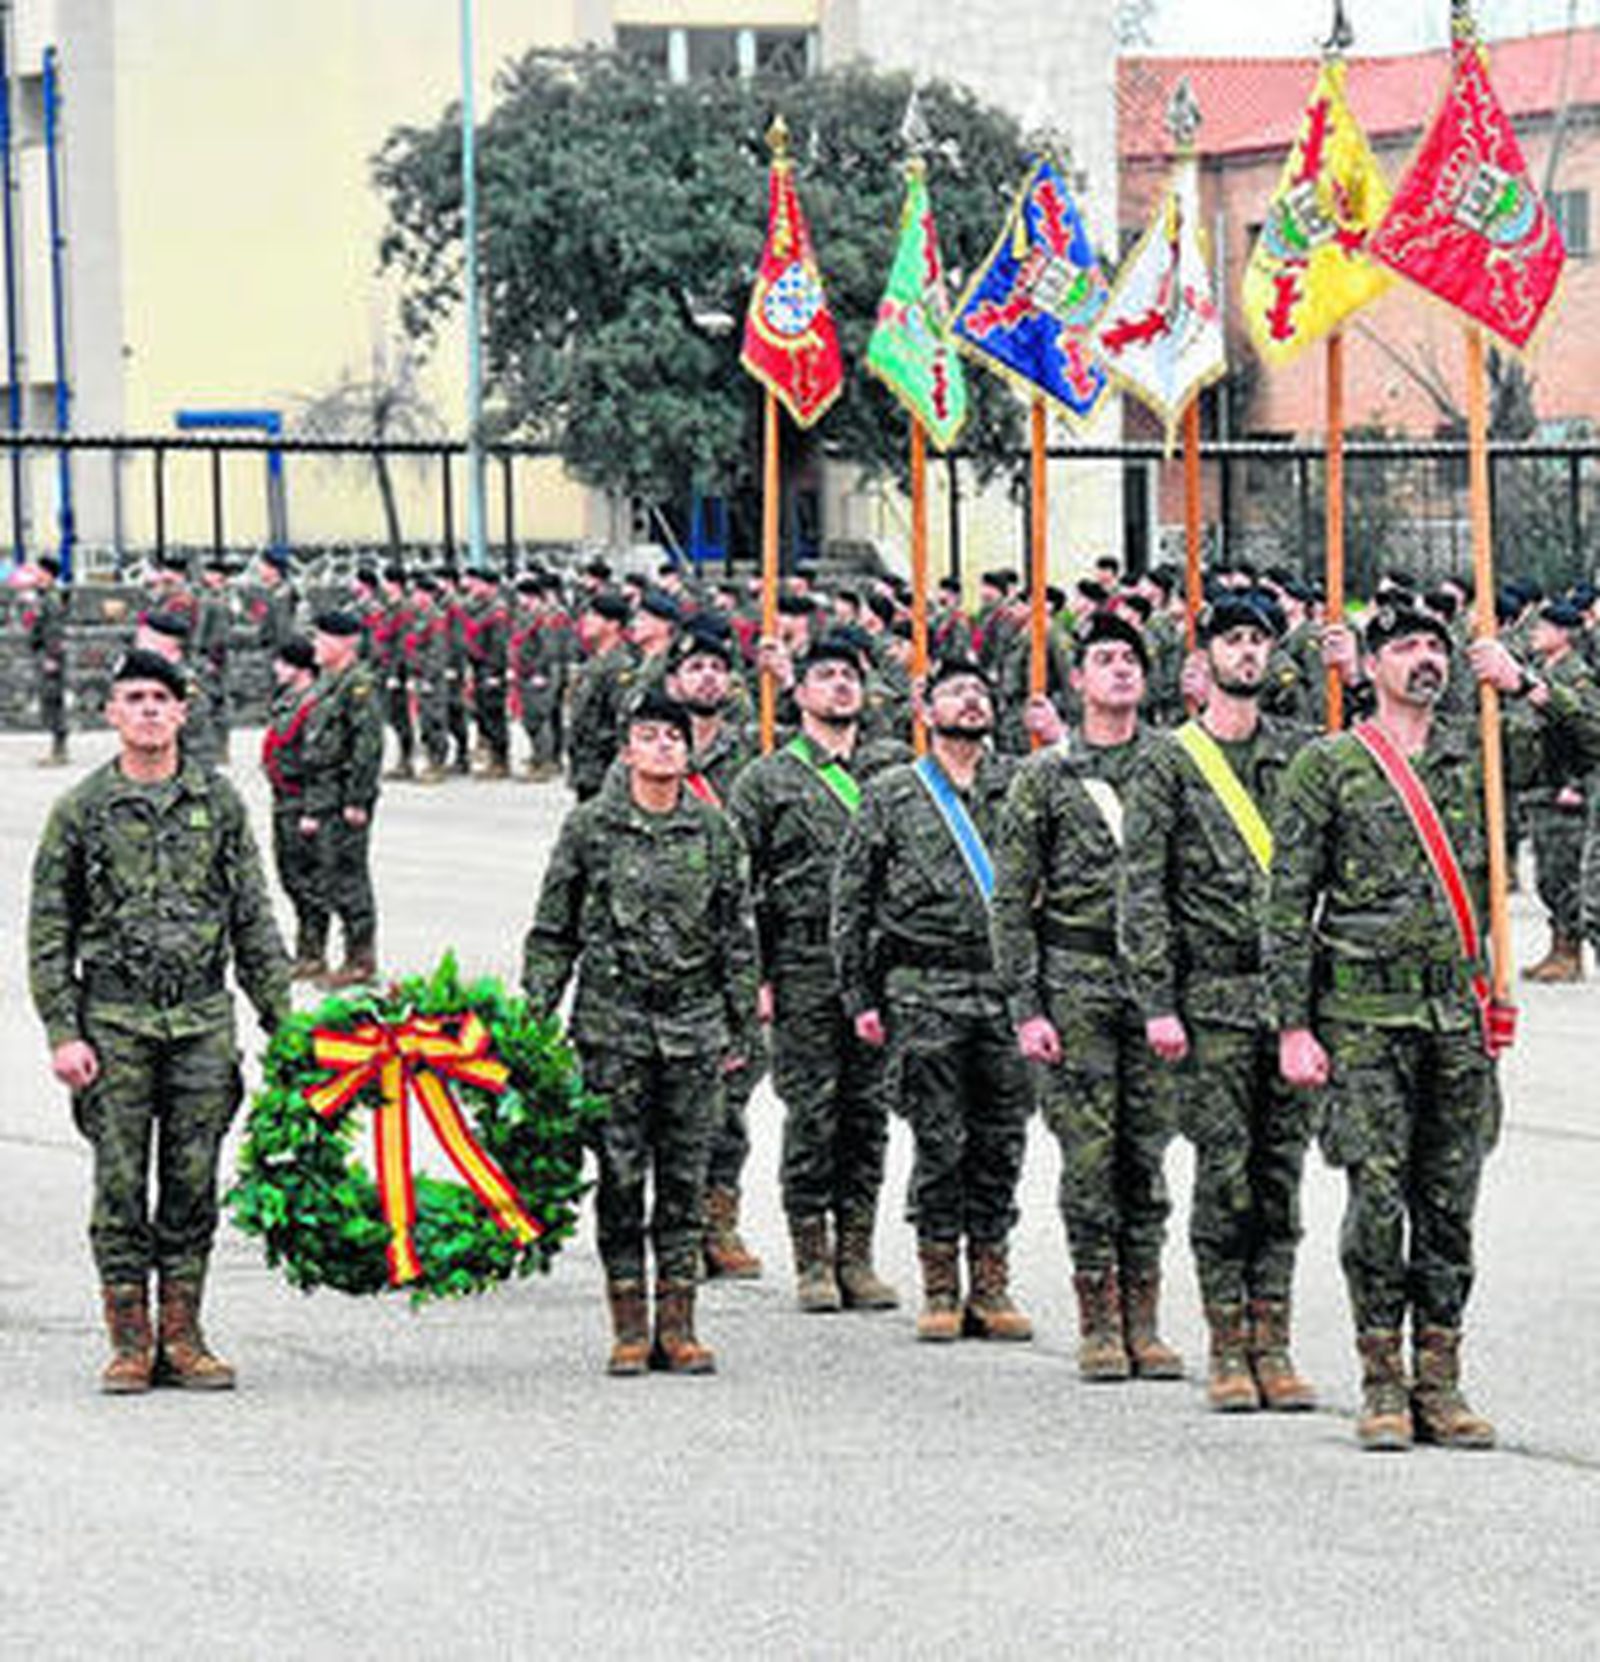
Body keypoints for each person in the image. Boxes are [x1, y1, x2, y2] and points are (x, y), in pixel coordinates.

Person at [1272, 606, 1600, 1450]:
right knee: (1378, 1203)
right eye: (1406, 647)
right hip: (1363, 1019)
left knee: (1450, 1205)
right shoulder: (1328, 765)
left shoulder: (1480, 746)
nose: (1425, 659)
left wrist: (1528, 685)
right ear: (1373, 665)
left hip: (1457, 1016)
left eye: (1436, 648)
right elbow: (1287, 903)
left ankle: (1441, 1380)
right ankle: (1383, 1381)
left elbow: (1592, 741)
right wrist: (1293, 1026)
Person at [27, 648, 289, 1393]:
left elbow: (252, 918)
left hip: (202, 1022)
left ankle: (183, 1335)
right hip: (114, 1023)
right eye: (134, 698)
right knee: (118, 1187)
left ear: (182, 712)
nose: (147, 709)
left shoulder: (219, 802)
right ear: (111, 712)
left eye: (160, 698)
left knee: (192, 1183)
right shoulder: (81, 809)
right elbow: (49, 929)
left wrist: (284, 1023)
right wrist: (63, 1031)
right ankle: (129, 1342)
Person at [523, 689, 759, 1376]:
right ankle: (629, 1326)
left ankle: (678, 1326)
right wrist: (535, 1015)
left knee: (685, 1181)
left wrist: (742, 1028)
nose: (662, 746)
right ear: (627, 750)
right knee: (622, 1179)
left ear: (688, 754)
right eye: (649, 736)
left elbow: (737, 936)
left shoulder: (714, 831)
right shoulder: (591, 828)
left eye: (673, 738)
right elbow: (554, 929)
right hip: (613, 1031)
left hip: (693, 1031)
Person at [1121, 593, 1318, 1413]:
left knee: (1281, 1176)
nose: (1248, 653)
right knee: (1225, 1174)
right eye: (1233, 640)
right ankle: (1228, 1345)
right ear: (1203, 660)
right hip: (1209, 999)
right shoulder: (1169, 761)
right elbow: (1143, 888)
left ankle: (1275, 1342)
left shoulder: (1302, 753)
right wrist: (1157, 1001)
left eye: (1259, 641)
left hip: (1289, 999)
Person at [992, 612, 1182, 1382]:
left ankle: (1145, 1319)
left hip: (1156, 990)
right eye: (1104, 658)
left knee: (1147, 1156)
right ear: (1078, 681)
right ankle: (1099, 1321)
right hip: (1076, 983)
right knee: (1091, 1156)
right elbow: (1012, 899)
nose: (1121, 668)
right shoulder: (1045, 776)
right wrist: (1026, 1006)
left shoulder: (1174, 765)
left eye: (1131, 658)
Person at [832, 657, 1033, 1343]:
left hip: (1004, 991)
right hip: (923, 990)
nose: (970, 702)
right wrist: (858, 994)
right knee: (940, 1139)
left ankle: (992, 1282)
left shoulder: (1022, 785)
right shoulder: (893, 793)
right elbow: (852, 899)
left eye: (979, 692)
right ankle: (941, 1283)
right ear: (925, 712)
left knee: (1002, 1139)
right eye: (954, 693)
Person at [730, 636, 904, 1313]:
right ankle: (812, 1257)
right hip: (803, 962)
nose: (839, 686)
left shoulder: (893, 772)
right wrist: (756, 975)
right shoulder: (767, 779)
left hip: (878, 966)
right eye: (824, 676)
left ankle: (857, 1255)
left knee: (868, 1112)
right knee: (813, 1109)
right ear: (797, 692)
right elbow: (738, 887)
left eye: (849, 676)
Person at [663, 623, 767, 1280]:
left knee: (731, 1097)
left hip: (738, 952)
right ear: (674, 680)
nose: (707, 676)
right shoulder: (649, 752)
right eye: (694, 666)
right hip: (668, 955)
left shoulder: (755, 756)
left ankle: (719, 1220)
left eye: (717, 667)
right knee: (671, 1104)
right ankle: (676, 1225)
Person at [298, 610, 385, 986]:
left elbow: (367, 745)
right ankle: (345, 956)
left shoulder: (358, 685)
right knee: (331, 875)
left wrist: (357, 799)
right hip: (324, 794)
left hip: (344, 796)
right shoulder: (328, 683)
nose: (315, 645)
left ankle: (361, 960)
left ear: (346, 643)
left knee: (349, 877)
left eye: (322, 639)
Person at [261, 635, 325, 978]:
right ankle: (305, 950)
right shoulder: (288, 699)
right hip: (284, 799)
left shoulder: (314, 704)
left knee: (308, 880)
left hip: (302, 802)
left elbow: (320, 761)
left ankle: (313, 953)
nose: (276, 669)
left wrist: (313, 809)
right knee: (291, 876)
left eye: (283, 663)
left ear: (300, 668)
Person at [566, 592, 636, 801]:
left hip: (605, 771)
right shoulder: (594, 663)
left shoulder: (620, 668)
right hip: (587, 768)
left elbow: (622, 725)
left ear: (613, 625)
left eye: (593, 616)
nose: (586, 621)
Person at [26, 552, 69, 764]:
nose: (34, 574)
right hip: (44, 652)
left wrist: (52, 657)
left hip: (50, 654)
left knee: (52, 699)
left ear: (47, 573)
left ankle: (59, 750)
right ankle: (58, 748)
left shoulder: (51, 598)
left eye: (38, 571)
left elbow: (54, 630)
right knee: (49, 699)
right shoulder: (43, 595)